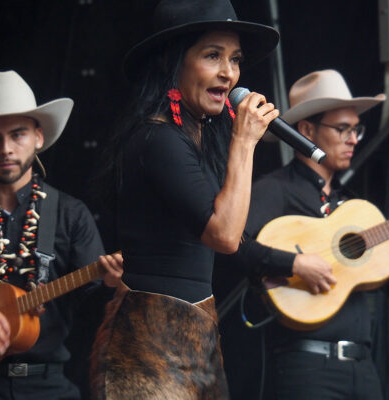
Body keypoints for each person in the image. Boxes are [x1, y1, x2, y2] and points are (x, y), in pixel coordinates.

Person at [230, 69, 389, 399]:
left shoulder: (354, 208)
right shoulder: (276, 190)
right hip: (304, 367)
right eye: (343, 129)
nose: (353, 138)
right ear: (307, 130)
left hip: (363, 368)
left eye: (357, 129)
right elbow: (232, 246)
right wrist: (296, 264)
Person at [89, 0, 280, 399]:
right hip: (148, 340)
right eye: (213, 56)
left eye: (235, 59)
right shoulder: (157, 138)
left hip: (196, 333)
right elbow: (224, 236)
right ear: (172, 61)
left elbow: (237, 236)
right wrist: (243, 141)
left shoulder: (196, 139)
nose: (229, 73)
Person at [0, 70, 124, 399]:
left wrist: (113, 284)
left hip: (48, 386)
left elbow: (95, 314)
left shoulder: (71, 214)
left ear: (38, 137)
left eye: (17, 134)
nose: (6, 148)